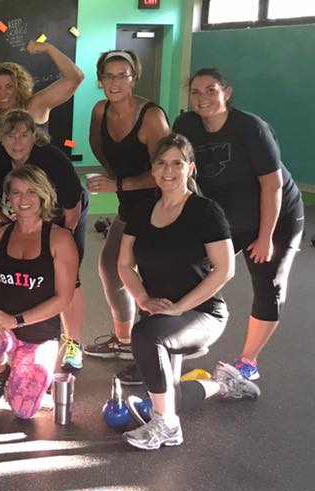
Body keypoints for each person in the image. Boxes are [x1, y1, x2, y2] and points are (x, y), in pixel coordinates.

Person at [118, 134, 260, 451]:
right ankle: (224, 384)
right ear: (153, 169)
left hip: (202, 314)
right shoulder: (141, 211)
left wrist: (180, 307)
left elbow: (225, 269)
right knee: (172, 396)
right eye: (161, 163)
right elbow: (124, 265)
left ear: (190, 169)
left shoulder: (206, 211)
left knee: (144, 337)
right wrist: (142, 299)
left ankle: (167, 426)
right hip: (161, 315)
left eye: (177, 163)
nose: (168, 171)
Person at [173, 68, 305, 381]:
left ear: (226, 93)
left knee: (269, 284)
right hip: (227, 216)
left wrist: (265, 236)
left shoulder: (250, 128)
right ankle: (193, 335)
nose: (202, 98)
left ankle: (248, 362)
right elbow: (184, 173)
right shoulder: (186, 126)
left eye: (211, 90)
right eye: (195, 92)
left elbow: (272, 185)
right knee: (190, 268)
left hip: (277, 216)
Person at [0, 109, 89, 372]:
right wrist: (7, 226)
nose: (17, 142)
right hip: (18, 216)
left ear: (34, 136)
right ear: (1, 138)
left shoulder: (53, 160)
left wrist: (60, 240)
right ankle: (5, 333)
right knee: (5, 268)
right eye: (10, 136)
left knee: (69, 278)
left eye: (24, 135)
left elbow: (72, 207)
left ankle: (73, 343)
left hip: (64, 215)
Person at [84, 50, 171, 386]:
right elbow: (98, 146)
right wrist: (115, 179)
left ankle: (151, 354)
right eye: (109, 75)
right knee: (111, 267)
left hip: (160, 206)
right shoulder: (100, 111)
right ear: (100, 80)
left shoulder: (151, 117)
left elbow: (166, 172)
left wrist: (118, 184)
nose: (115, 82)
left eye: (123, 75)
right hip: (129, 206)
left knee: (149, 279)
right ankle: (123, 341)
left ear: (134, 78)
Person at [0, 165, 77, 416]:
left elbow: (64, 298)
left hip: (39, 332)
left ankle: (26, 370)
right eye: (16, 192)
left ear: (43, 195)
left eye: (31, 191)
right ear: (8, 198)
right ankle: (0, 370)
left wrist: (15, 320)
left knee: (23, 411)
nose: (24, 199)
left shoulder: (60, 239)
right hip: (1, 328)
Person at [0, 41, 84, 153]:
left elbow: (75, 78)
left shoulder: (34, 107)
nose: (3, 93)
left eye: (9, 87)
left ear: (19, 87)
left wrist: (48, 48)